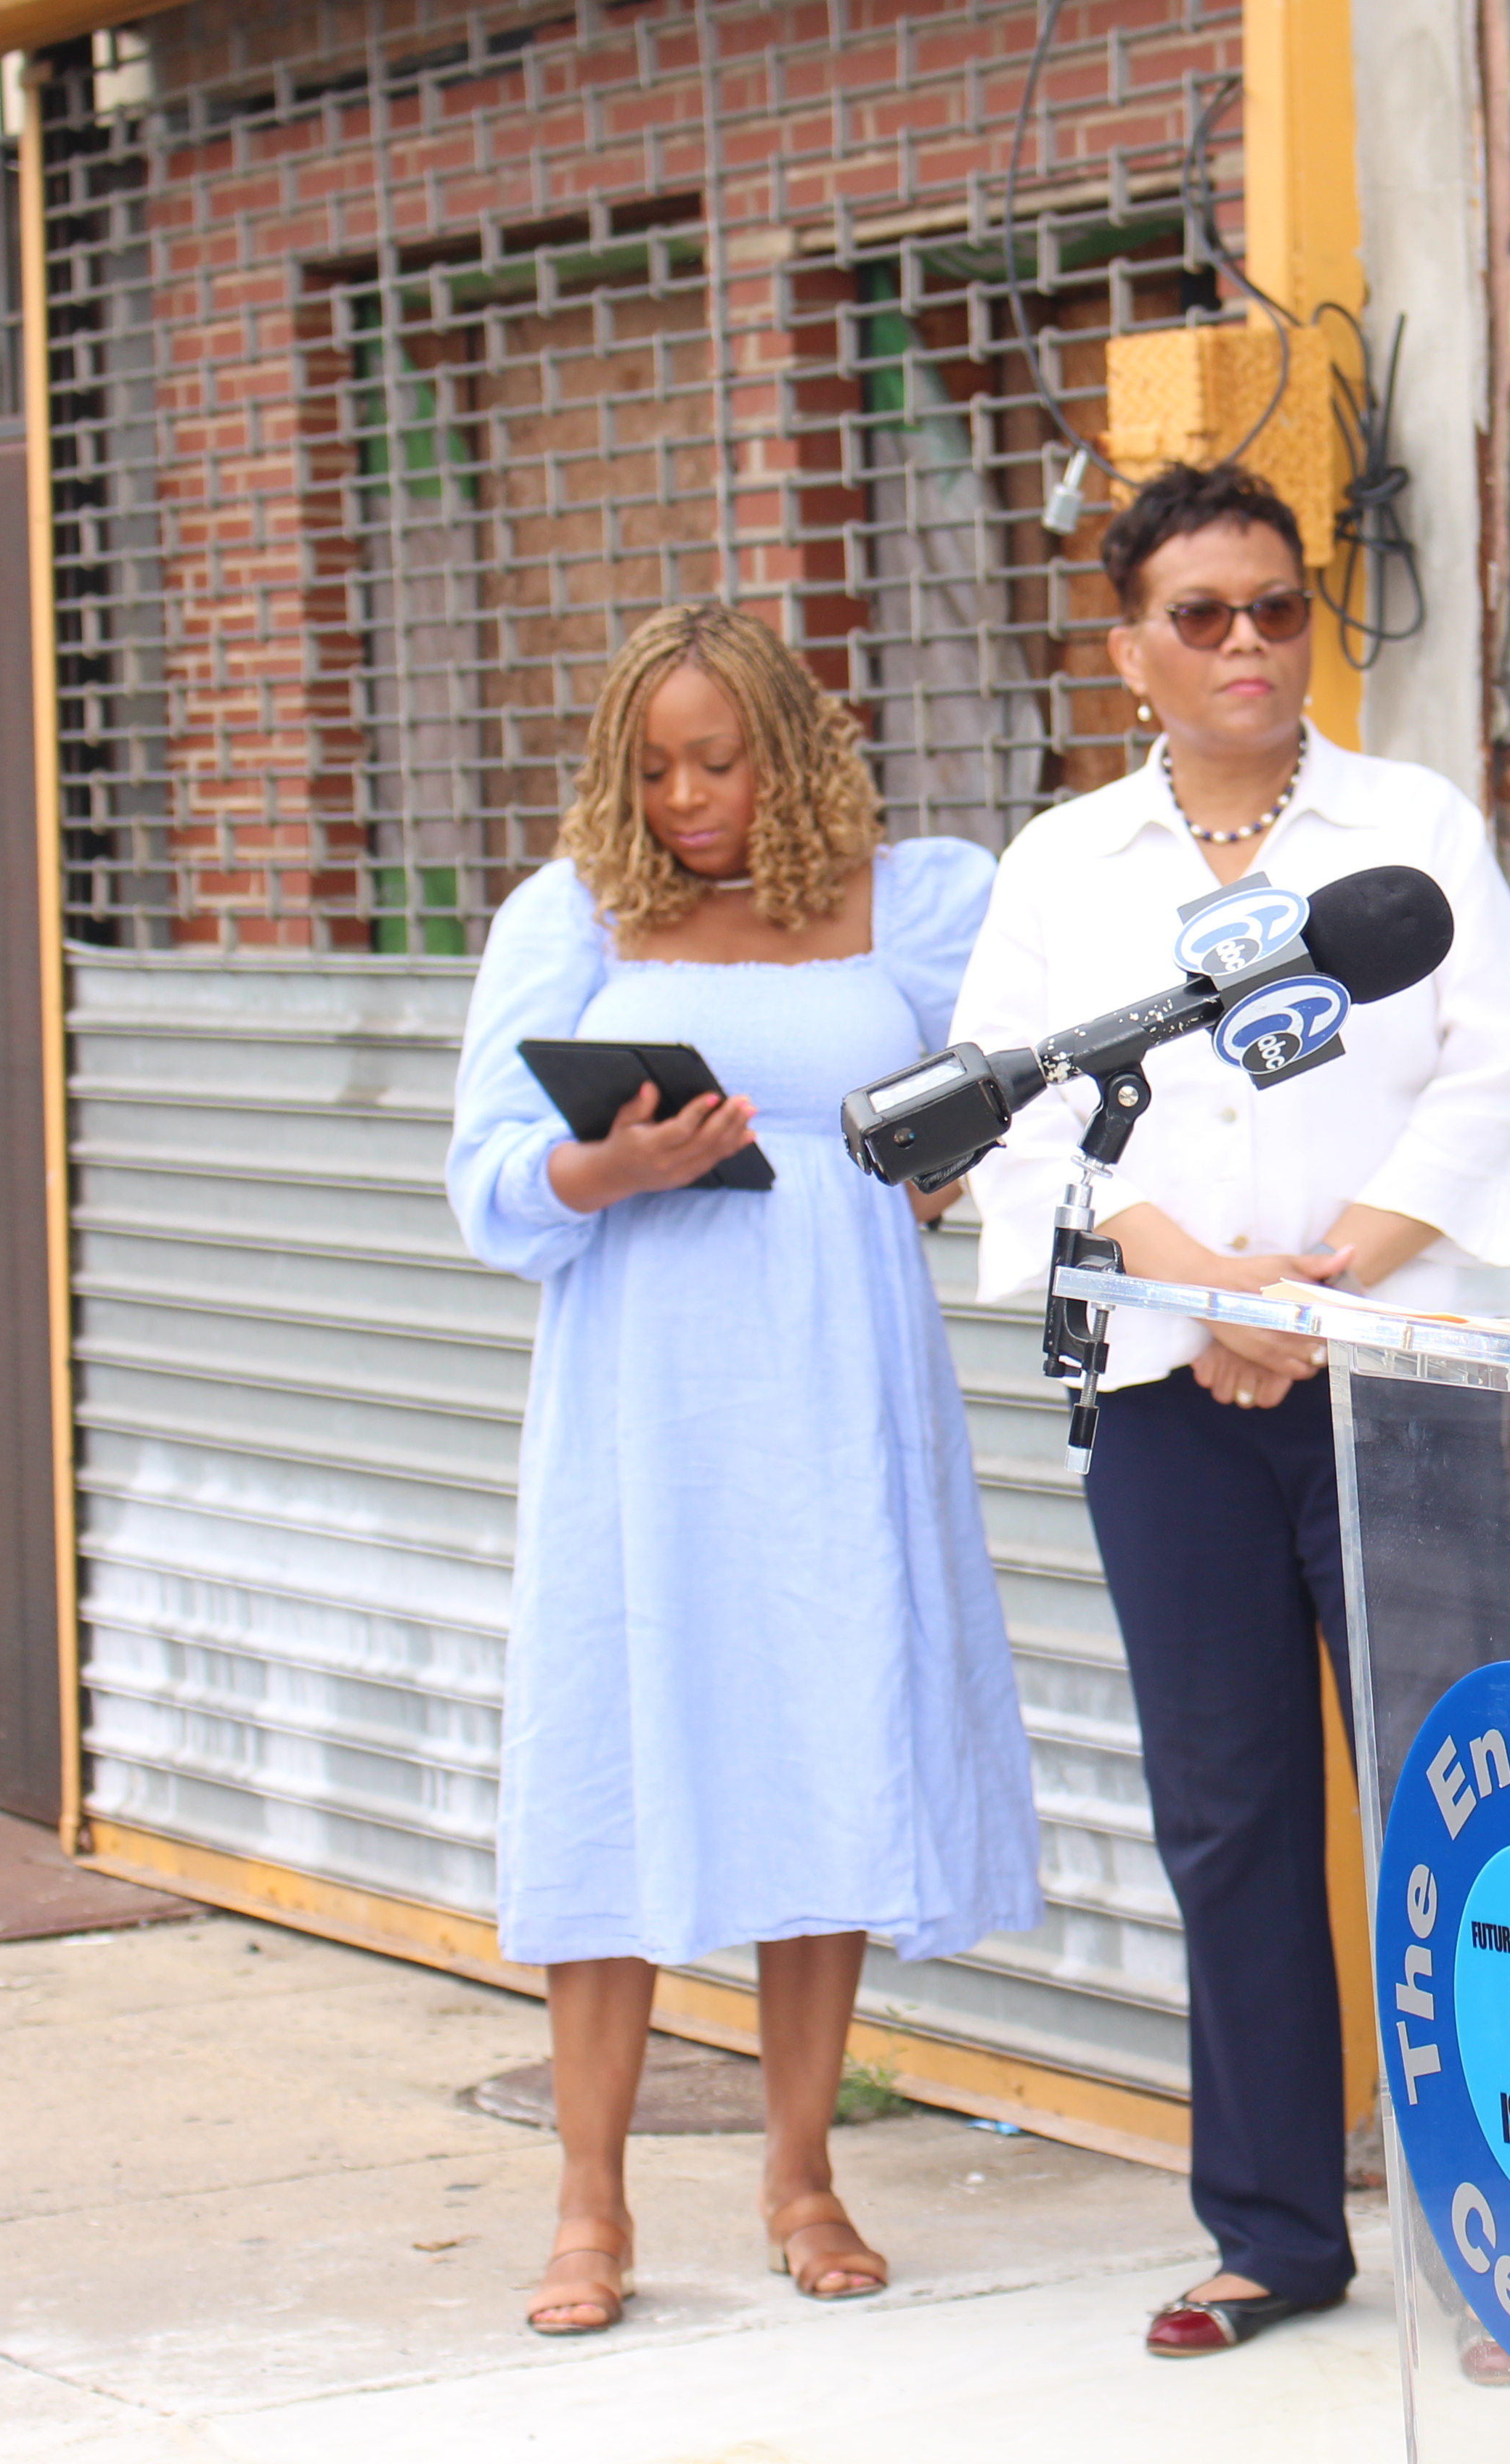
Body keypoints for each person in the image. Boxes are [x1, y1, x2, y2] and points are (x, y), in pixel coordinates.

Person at [951, 463, 1510, 2362]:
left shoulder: (1413, 824)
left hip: (1400, 1379)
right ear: (1130, 646)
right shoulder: (1064, 870)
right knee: (1232, 1818)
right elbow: (1014, 1113)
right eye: (1199, 614)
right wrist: (1195, 1290)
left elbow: (1490, 1083)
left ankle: (1508, 2235)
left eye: (1277, 607)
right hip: (1170, 1395)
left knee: (1462, 1810)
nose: (1246, 645)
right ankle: (1276, 2231)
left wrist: (1325, 1288)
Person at [448, 601, 1042, 2337]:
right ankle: (589, 2201)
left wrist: (950, 1163)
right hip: (647, 1402)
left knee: (822, 1741)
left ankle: (801, 2174)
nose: (688, 799)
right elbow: (486, 1178)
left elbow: (1014, 1082)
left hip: (840, 1394)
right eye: (653, 767)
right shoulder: (570, 919)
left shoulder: (912, 900)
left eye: (718, 761)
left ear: (788, 747)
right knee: (621, 1756)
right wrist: (603, 1175)